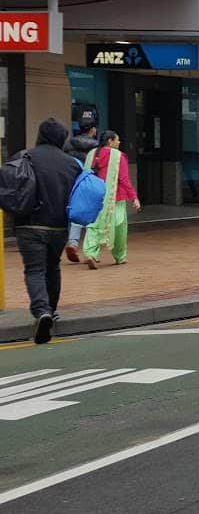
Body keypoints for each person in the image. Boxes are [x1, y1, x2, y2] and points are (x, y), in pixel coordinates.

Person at [15, 119, 82, 344]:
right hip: (59, 226)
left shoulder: (25, 157)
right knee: (52, 267)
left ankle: (41, 311)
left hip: (30, 225)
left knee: (35, 270)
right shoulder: (72, 163)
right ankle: (50, 311)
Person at [81, 131, 141, 269]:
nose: (119, 142)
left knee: (94, 225)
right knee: (119, 226)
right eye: (117, 140)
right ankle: (120, 256)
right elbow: (124, 179)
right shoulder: (118, 156)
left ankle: (90, 254)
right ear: (110, 141)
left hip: (94, 197)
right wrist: (134, 197)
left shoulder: (92, 154)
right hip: (115, 197)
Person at [62, 115, 98, 262]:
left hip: (73, 180)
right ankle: (91, 250)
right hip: (90, 181)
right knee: (94, 213)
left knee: (76, 211)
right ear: (93, 129)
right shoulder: (97, 146)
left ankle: (73, 242)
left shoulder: (68, 145)